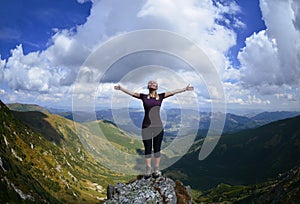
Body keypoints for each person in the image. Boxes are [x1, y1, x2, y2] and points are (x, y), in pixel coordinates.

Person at [114, 80, 194, 179]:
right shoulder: (143, 97)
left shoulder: (160, 97)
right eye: (150, 83)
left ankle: (156, 169)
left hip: (158, 127)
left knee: (157, 149)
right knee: (147, 149)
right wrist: (121, 88)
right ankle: (148, 169)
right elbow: (131, 93)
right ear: (148, 86)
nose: (152, 84)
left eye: (154, 83)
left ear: (157, 87)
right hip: (146, 126)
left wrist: (185, 89)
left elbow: (173, 92)